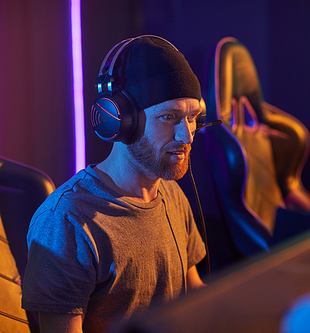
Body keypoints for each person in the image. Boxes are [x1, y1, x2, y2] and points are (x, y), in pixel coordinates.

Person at [21, 35, 207, 333]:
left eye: (193, 117)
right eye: (170, 117)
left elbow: (194, 290)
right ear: (118, 120)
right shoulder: (67, 221)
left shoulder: (171, 193)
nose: (186, 136)